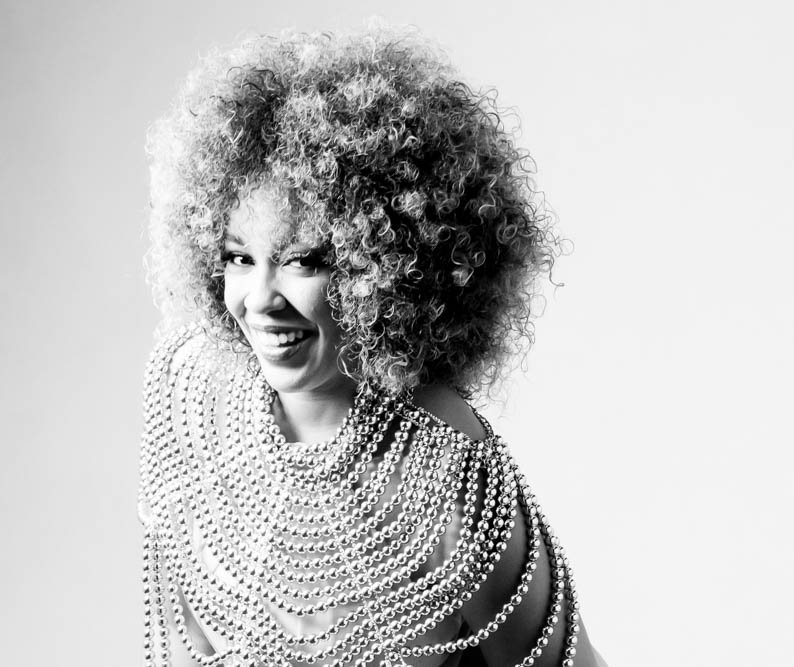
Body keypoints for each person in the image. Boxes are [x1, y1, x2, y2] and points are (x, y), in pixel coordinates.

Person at [140, 28, 605, 667]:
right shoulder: (190, 404)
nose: (259, 299)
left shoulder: (450, 470)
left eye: (303, 260)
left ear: (385, 267)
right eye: (239, 258)